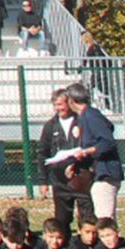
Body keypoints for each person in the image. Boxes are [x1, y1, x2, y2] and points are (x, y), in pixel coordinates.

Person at [65, 82, 122, 220]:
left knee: (105, 220)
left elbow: (108, 142)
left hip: (105, 173)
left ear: (71, 101)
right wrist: (75, 165)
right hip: (98, 174)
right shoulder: (84, 116)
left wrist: (85, 152)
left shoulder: (91, 116)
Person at [39, 88, 92, 229]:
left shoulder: (81, 121)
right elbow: (43, 154)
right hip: (60, 181)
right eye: (55, 105)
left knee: (87, 218)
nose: (58, 108)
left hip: (81, 178)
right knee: (62, 220)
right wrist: (43, 181)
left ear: (69, 103)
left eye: (61, 104)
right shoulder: (50, 126)